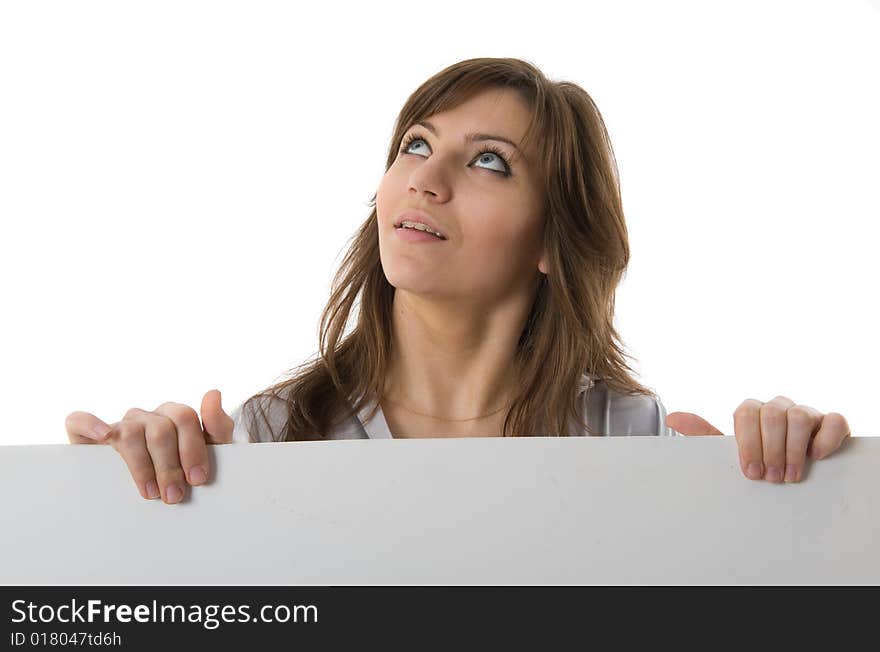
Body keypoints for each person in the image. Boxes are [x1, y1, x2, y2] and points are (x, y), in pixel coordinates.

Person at [65, 57, 851, 505]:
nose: (424, 180)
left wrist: (800, 493)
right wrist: (139, 509)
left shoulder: (632, 437)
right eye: (414, 145)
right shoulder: (269, 435)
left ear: (552, 237)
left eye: (487, 161)